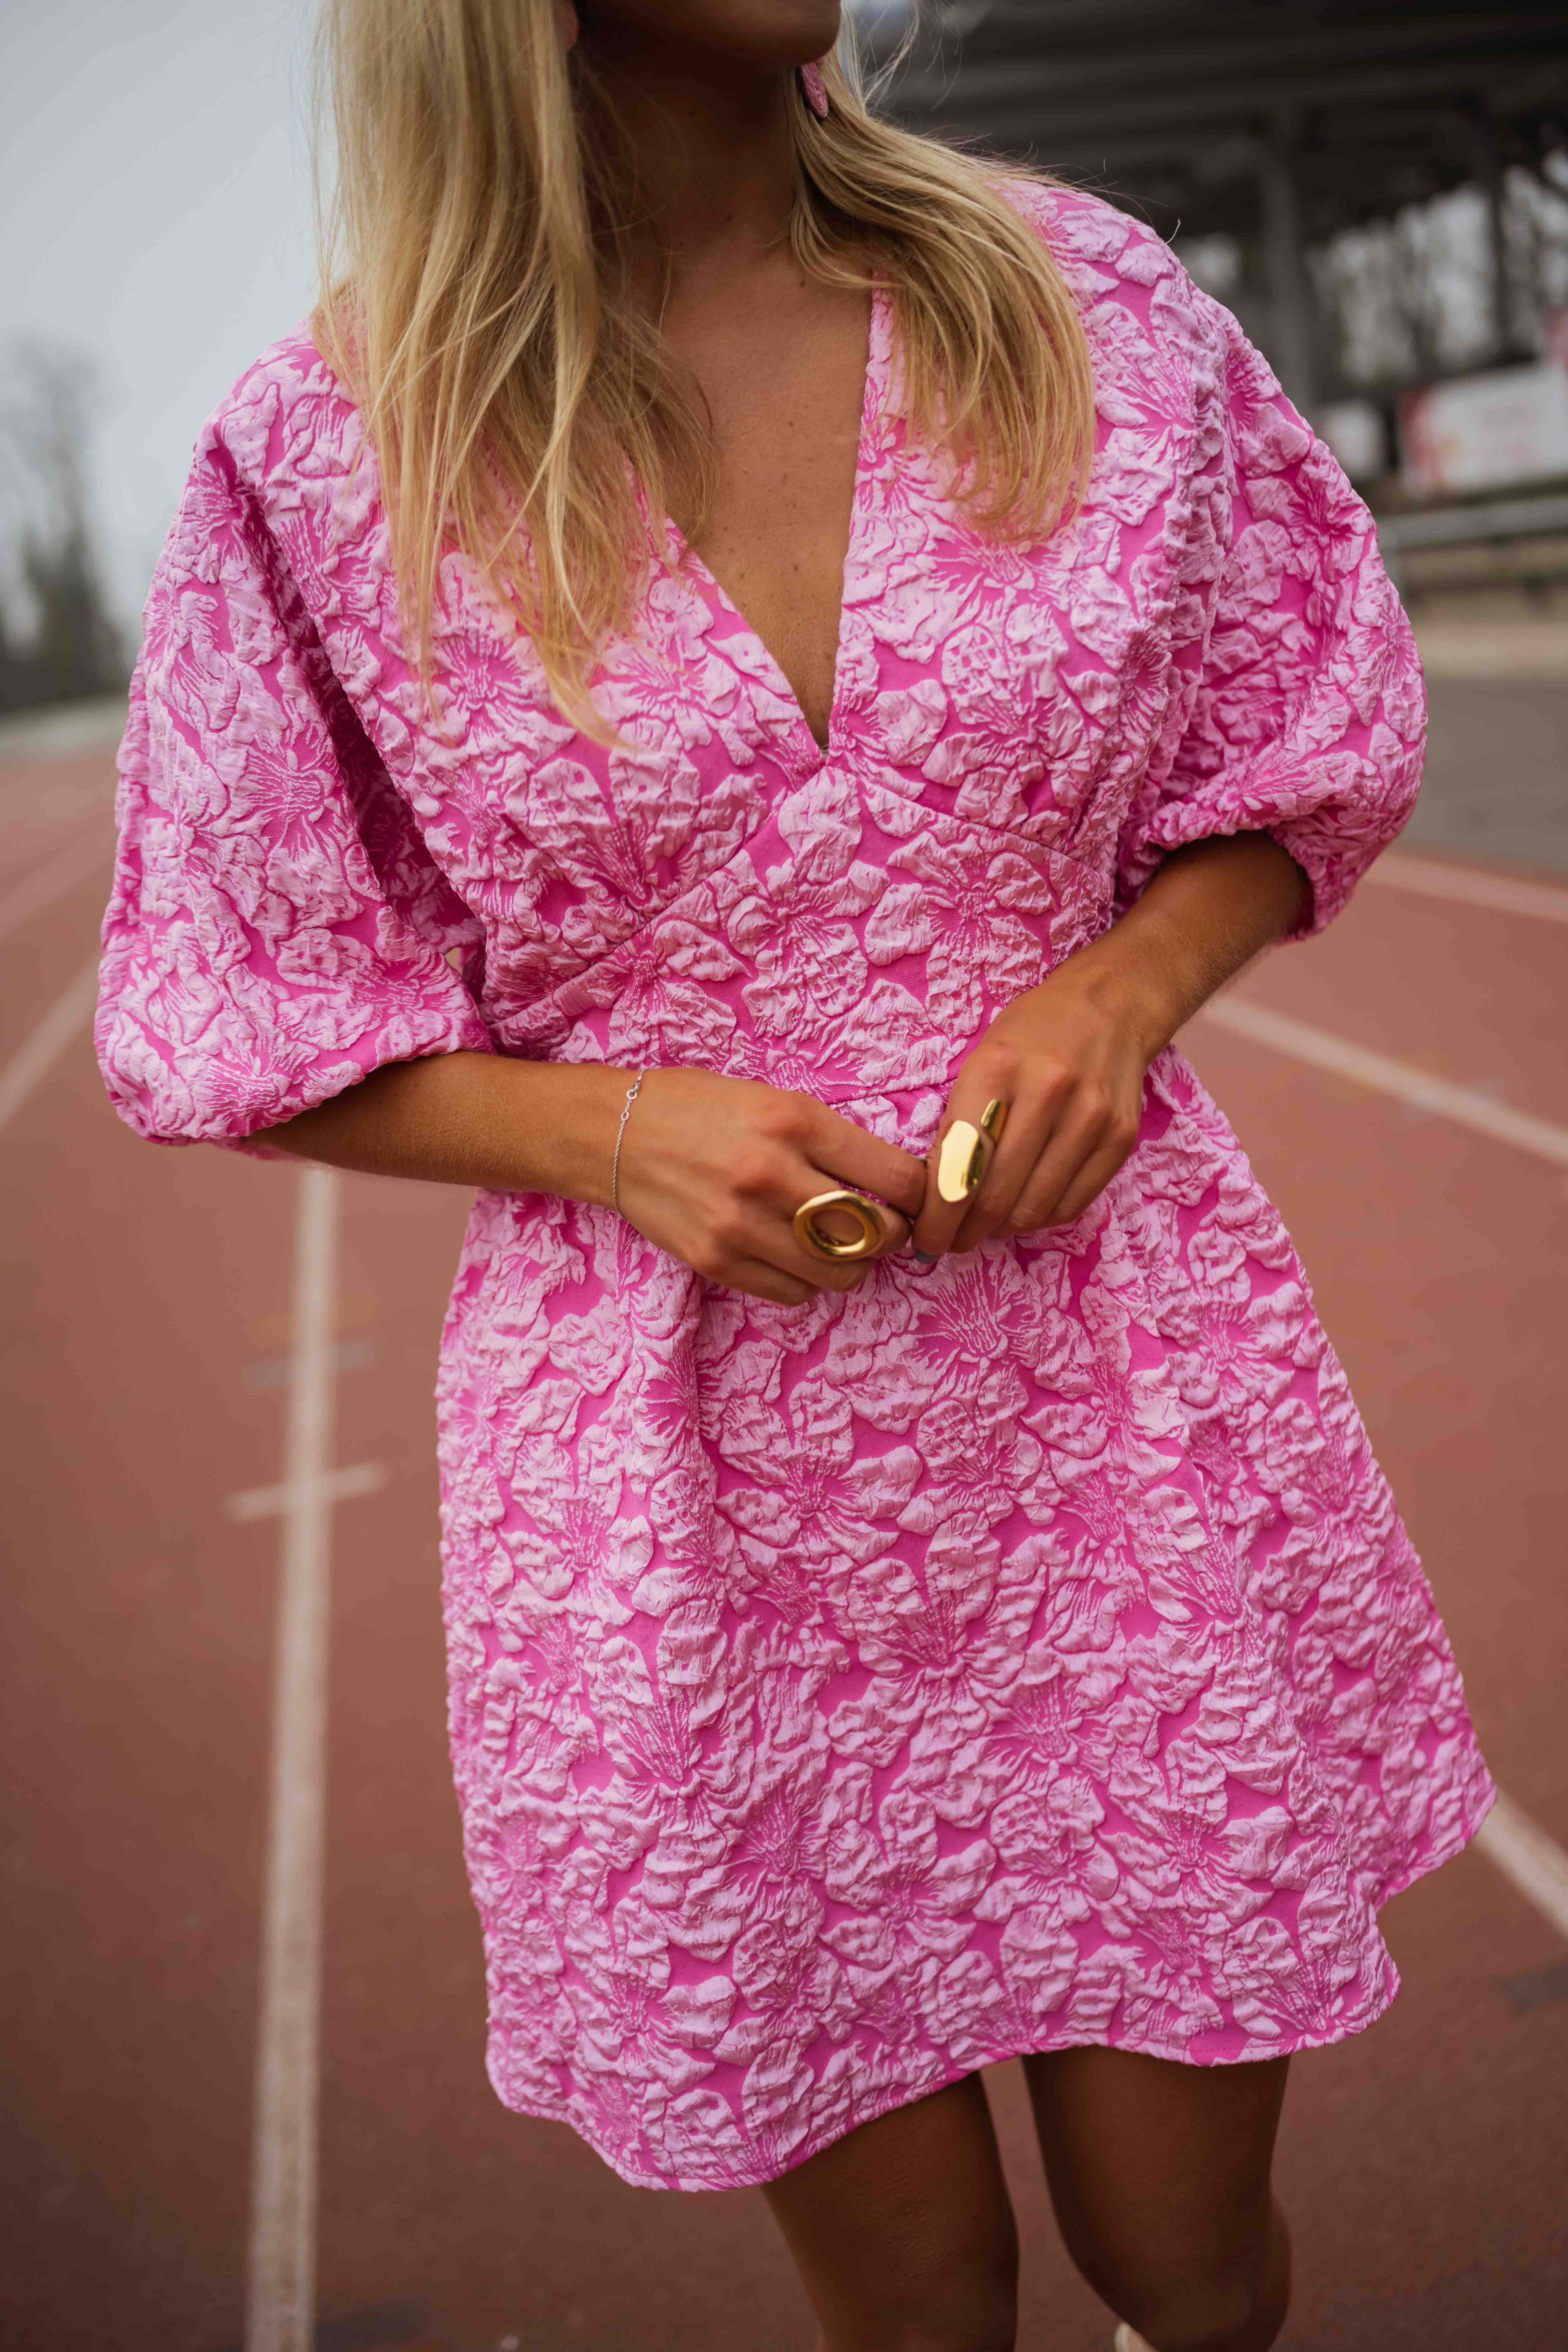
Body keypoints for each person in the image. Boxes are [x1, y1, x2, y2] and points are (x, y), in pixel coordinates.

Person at [96, 4, 1495, 2346]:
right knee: (922, 2304)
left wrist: (1121, 988)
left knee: (1191, 2252)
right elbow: (221, 1007)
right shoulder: (327, 460)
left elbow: (1310, 733)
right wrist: (609, 1127)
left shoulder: (1080, 302)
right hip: (680, 1497)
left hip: (1111, 1403)